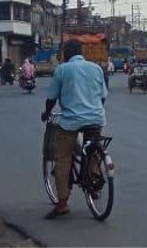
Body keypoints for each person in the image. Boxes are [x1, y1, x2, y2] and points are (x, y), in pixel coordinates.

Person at [40, 39, 107, 220]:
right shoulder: (96, 68)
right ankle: (93, 179)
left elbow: (51, 98)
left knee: (63, 158)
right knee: (93, 150)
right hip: (96, 118)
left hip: (70, 121)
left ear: (66, 53)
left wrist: (46, 113)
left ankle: (62, 204)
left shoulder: (62, 69)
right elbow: (102, 97)